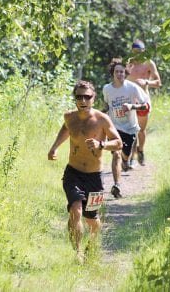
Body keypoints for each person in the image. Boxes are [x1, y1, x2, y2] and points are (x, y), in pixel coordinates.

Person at [48, 80, 122, 263]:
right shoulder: (69, 116)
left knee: (92, 220)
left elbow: (119, 142)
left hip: (94, 176)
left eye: (87, 96)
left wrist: (101, 144)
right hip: (73, 172)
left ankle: (92, 242)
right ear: (75, 98)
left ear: (93, 98)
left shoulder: (102, 119)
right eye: (79, 96)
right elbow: (67, 128)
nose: (83, 100)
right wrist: (55, 147)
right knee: (75, 210)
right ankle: (78, 252)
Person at [102, 59, 149, 199]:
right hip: (114, 127)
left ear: (126, 73)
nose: (119, 74)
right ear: (113, 73)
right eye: (117, 71)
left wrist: (131, 106)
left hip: (129, 128)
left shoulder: (132, 88)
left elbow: (145, 106)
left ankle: (126, 160)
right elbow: (108, 106)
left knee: (125, 155)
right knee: (116, 153)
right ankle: (117, 185)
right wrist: (99, 114)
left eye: (122, 71)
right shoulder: (107, 89)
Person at [126, 39, 162, 167]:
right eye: (135, 52)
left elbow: (158, 83)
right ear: (132, 51)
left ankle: (140, 151)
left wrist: (147, 82)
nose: (137, 55)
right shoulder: (128, 63)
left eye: (140, 52)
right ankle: (131, 157)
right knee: (131, 130)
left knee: (141, 130)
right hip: (129, 101)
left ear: (144, 51)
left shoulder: (149, 64)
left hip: (143, 101)